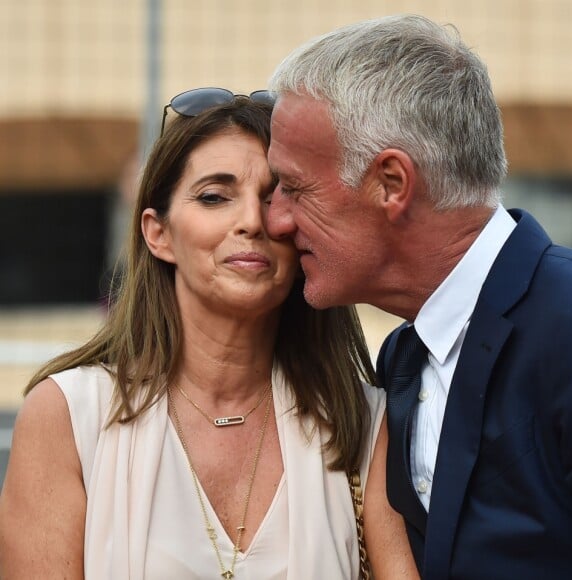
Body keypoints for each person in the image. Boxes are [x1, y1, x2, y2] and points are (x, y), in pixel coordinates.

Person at [0, 89, 419, 579]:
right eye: (214, 197)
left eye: (273, 197)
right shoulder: (69, 417)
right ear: (158, 233)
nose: (250, 222)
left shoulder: (363, 423)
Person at [266, 14, 572, 580]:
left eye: (294, 188)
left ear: (391, 182)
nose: (275, 220)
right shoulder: (403, 359)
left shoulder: (571, 323)